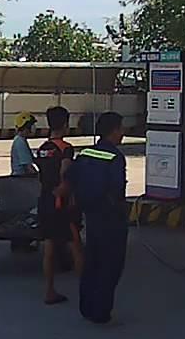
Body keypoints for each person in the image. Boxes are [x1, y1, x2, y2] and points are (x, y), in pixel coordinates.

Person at [67, 112, 129, 324]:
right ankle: (101, 311)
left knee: (92, 262)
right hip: (111, 218)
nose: (123, 132)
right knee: (111, 265)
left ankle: (86, 306)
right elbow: (117, 189)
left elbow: (70, 176)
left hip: (91, 216)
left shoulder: (86, 153)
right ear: (114, 131)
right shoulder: (115, 157)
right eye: (121, 128)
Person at [34, 106, 86, 305]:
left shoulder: (42, 148)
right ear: (65, 124)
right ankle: (86, 292)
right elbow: (65, 173)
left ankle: (49, 291)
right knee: (75, 245)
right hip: (61, 202)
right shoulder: (66, 148)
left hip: (45, 199)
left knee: (49, 246)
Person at [10, 111, 38, 176]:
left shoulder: (20, 139)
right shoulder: (20, 142)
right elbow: (28, 167)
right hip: (21, 177)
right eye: (31, 125)